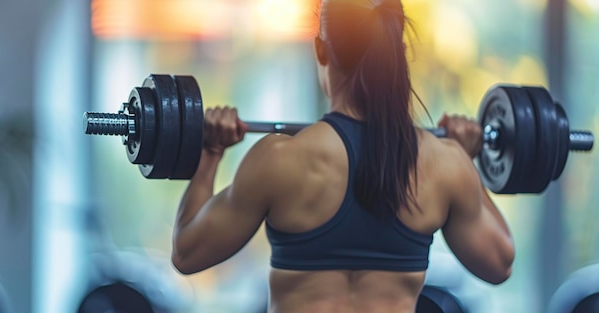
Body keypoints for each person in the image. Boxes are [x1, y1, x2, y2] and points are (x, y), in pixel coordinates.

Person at [170, 0, 515, 312]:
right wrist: (469, 161)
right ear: (399, 50)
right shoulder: (444, 164)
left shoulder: (279, 160)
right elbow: (500, 264)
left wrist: (210, 153)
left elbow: (187, 253)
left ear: (321, 49)